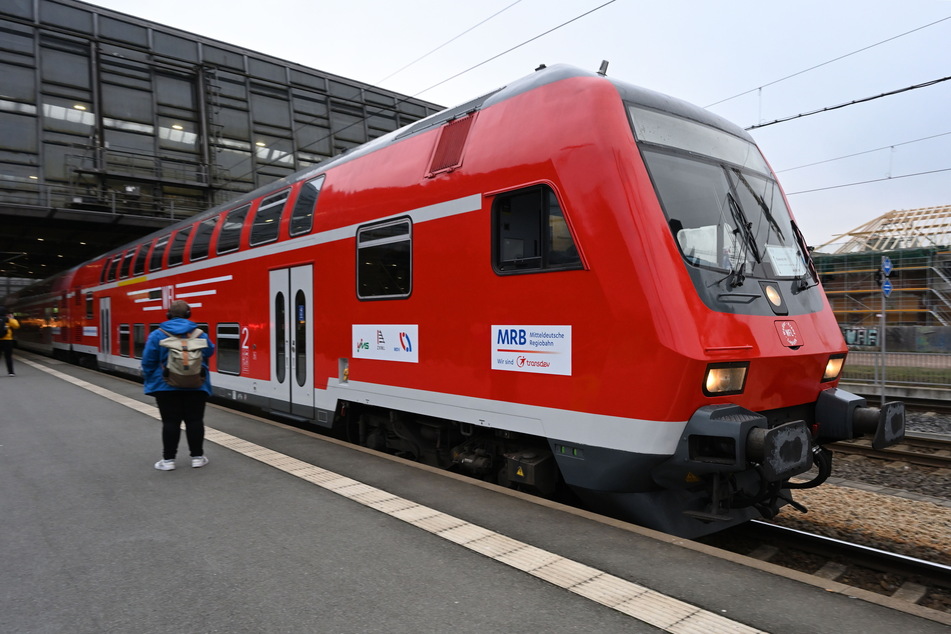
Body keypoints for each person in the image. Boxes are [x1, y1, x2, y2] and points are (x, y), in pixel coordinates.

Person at [141, 300, 215, 471]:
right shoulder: (199, 334)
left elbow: (148, 362)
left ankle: (168, 461)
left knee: (170, 422)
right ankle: (197, 457)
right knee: (195, 420)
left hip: (166, 386)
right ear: (188, 314)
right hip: (196, 385)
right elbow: (210, 351)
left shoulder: (158, 334)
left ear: (168, 314)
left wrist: (153, 379)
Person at [0, 307, 20, 376]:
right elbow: (16, 326)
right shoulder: (8, 320)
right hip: (7, 340)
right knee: (8, 357)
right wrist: (12, 318)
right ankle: (11, 372)